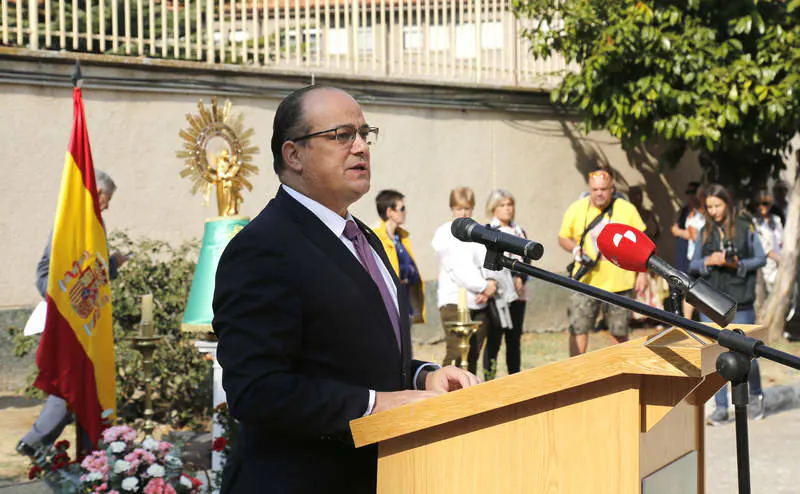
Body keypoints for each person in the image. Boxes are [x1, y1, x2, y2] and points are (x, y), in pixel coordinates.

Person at [211, 86, 479, 493]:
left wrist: (424, 376)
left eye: (364, 133)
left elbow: (359, 358)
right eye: (340, 135)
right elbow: (256, 390)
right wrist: (372, 405)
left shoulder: (363, 238)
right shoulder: (263, 248)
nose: (360, 147)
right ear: (293, 155)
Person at [17, 170, 129, 457]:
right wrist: (63, 304)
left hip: (89, 325)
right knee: (69, 386)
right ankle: (35, 442)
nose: (107, 206)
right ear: (98, 193)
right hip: (68, 324)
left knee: (87, 387)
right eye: (108, 199)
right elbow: (46, 274)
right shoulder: (69, 224)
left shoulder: (96, 226)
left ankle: (94, 454)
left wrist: (112, 265)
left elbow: (91, 275)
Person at [689, 184, 767, 425]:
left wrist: (738, 264)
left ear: (728, 204)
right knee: (716, 356)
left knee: (747, 354)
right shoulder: (704, 232)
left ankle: (754, 396)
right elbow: (692, 265)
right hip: (711, 302)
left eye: (717, 205)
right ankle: (721, 406)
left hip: (740, 301)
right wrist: (708, 261)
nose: (713, 211)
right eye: (709, 207)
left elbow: (760, 258)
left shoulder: (745, 229)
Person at [558, 169, 648, 356]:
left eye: (604, 189)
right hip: (585, 281)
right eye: (595, 189)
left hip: (620, 282)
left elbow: (642, 242)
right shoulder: (577, 208)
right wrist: (575, 249)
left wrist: (643, 273)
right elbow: (563, 237)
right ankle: (577, 375)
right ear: (589, 189)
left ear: (612, 189)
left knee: (619, 332)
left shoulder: (626, 209)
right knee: (578, 329)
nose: (599, 193)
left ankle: (619, 375)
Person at [431, 187, 511, 377]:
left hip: (481, 300)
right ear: (452, 208)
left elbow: (488, 260)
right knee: (456, 353)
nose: (463, 213)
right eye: (459, 209)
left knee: (473, 354)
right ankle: (444, 394)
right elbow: (458, 268)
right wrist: (483, 286)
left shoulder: (477, 231)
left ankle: (469, 394)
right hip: (454, 302)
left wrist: (491, 283)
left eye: (467, 208)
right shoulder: (444, 233)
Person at [482, 189, 528, 376]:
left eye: (510, 205)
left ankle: (514, 376)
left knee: (514, 339)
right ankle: (489, 376)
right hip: (498, 293)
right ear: (493, 208)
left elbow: (526, 259)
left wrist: (520, 277)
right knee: (494, 338)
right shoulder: (490, 231)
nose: (507, 209)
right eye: (502, 205)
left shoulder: (519, 231)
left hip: (518, 293)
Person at [372, 189, 425, 324]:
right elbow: (385, 271)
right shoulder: (375, 238)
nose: (405, 212)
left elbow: (413, 273)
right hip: (388, 308)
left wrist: (407, 272)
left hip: (405, 306)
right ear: (390, 212)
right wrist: (406, 272)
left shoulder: (401, 238)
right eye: (402, 208)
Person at [670, 182, 705, 317]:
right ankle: (687, 321)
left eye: (693, 192)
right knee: (687, 288)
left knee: (698, 289)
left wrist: (689, 234)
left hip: (700, 256)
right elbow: (674, 228)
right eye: (688, 193)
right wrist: (684, 233)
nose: (690, 196)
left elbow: (699, 235)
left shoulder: (703, 212)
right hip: (687, 255)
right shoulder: (685, 211)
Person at [752, 191, 783, 296]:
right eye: (758, 204)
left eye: (764, 203)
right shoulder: (754, 222)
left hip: (782, 261)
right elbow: (763, 247)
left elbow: (783, 240)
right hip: (768, 266)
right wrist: (778, 259)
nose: (761, 207)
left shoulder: (777, 220)